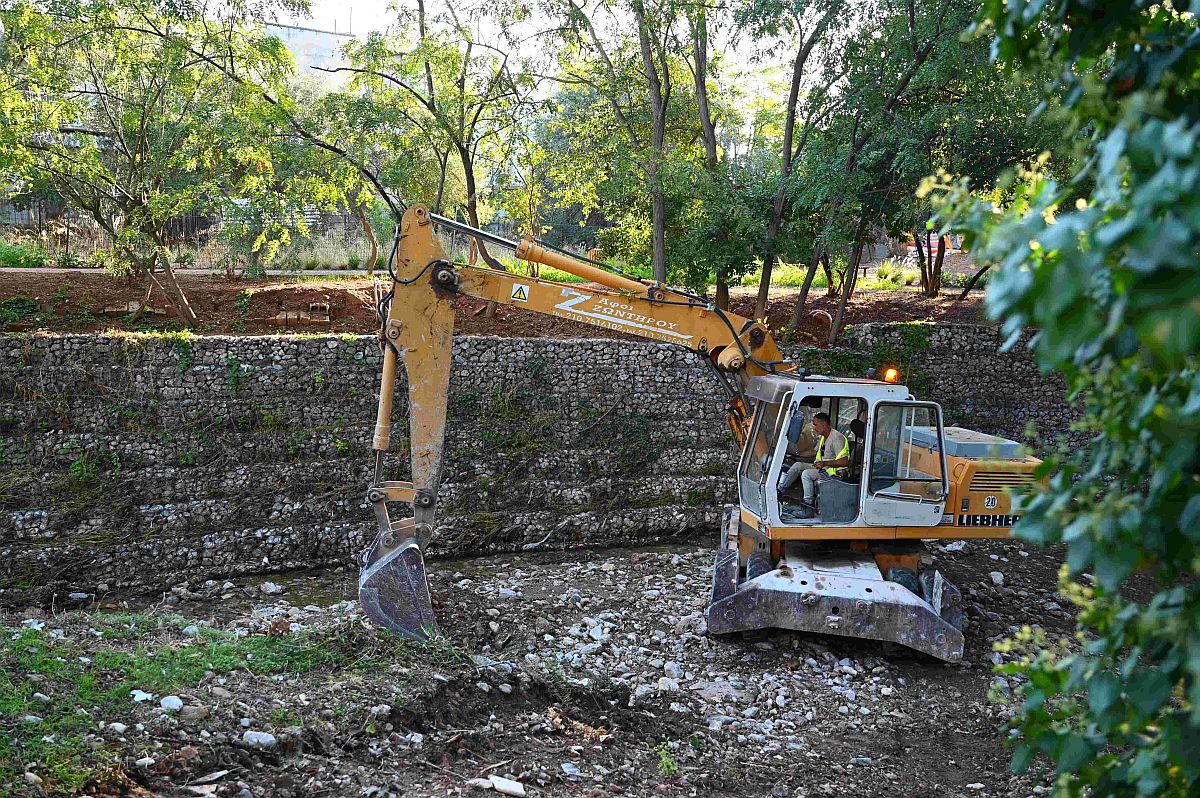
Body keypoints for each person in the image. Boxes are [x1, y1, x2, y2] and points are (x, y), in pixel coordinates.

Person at [779, 412, 849, 519]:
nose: (814, 428)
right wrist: (795, 455)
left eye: (815, 425)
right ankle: (780, 491)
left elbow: (844, 462)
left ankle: (808, 508)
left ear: (824, 424)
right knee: (798, 465)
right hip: (821, 468)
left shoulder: (837, 438)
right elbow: (813, 452)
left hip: (832, 473)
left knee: (807, 474)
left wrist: (824, 463)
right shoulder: (823, 437)